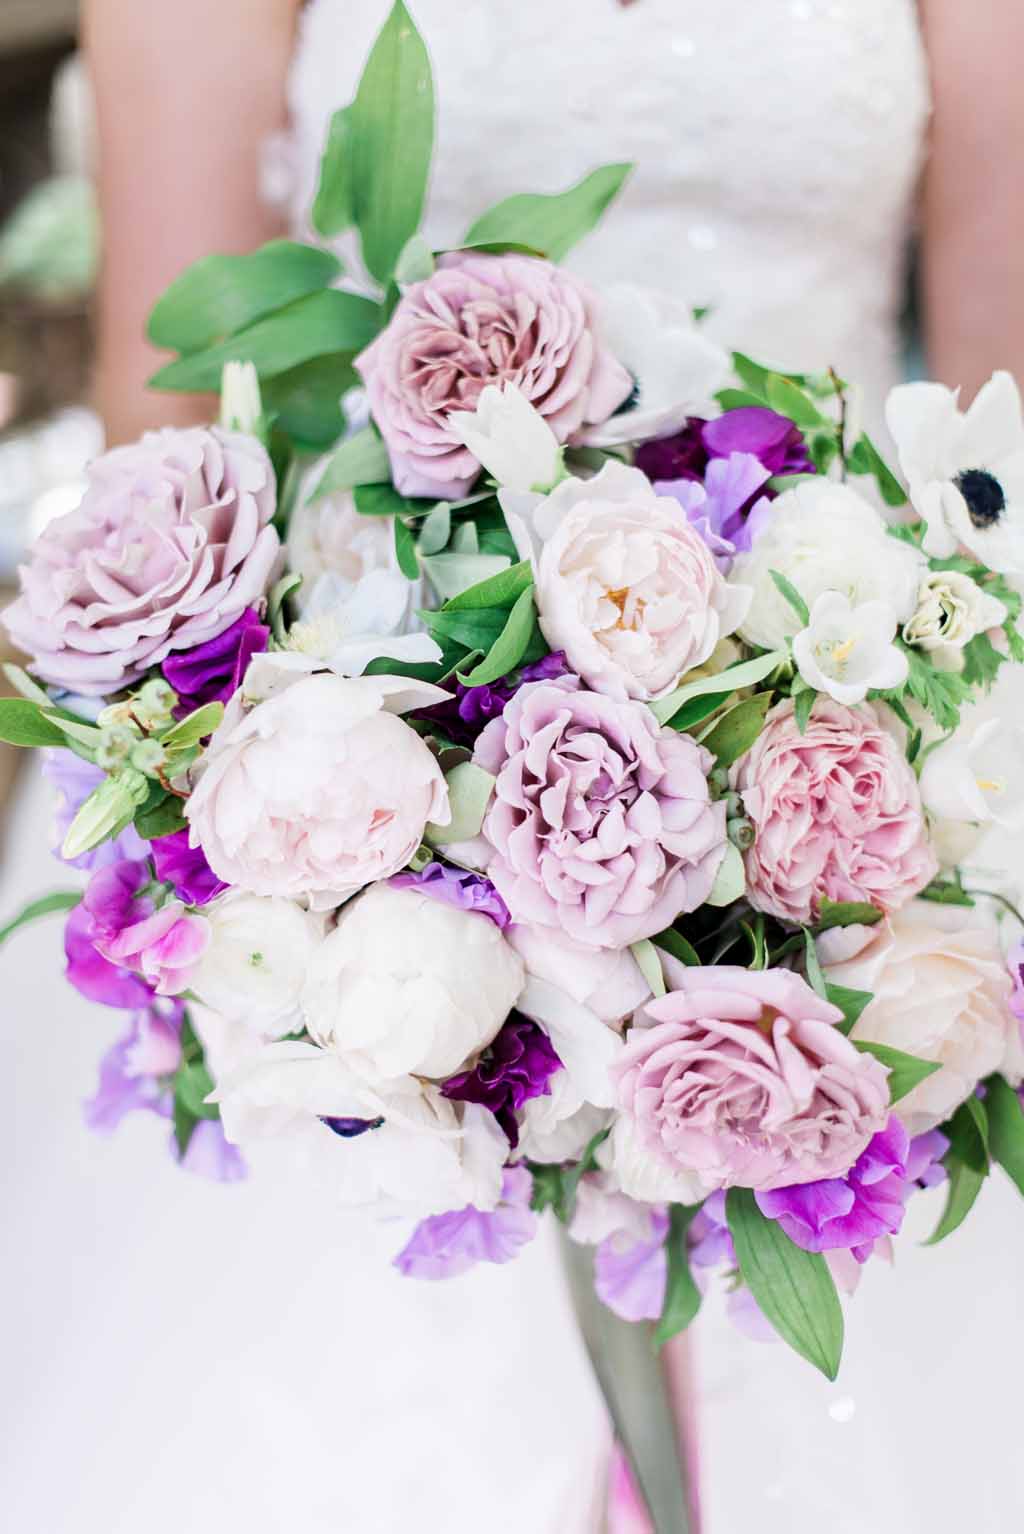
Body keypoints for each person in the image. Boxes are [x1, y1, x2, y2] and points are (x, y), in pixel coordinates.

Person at [1, 2, 1022, 1530]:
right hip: (373, 789)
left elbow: (1004, 440)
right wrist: (369, 868)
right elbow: (178, 427)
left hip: (851, 729)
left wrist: (885, 815)